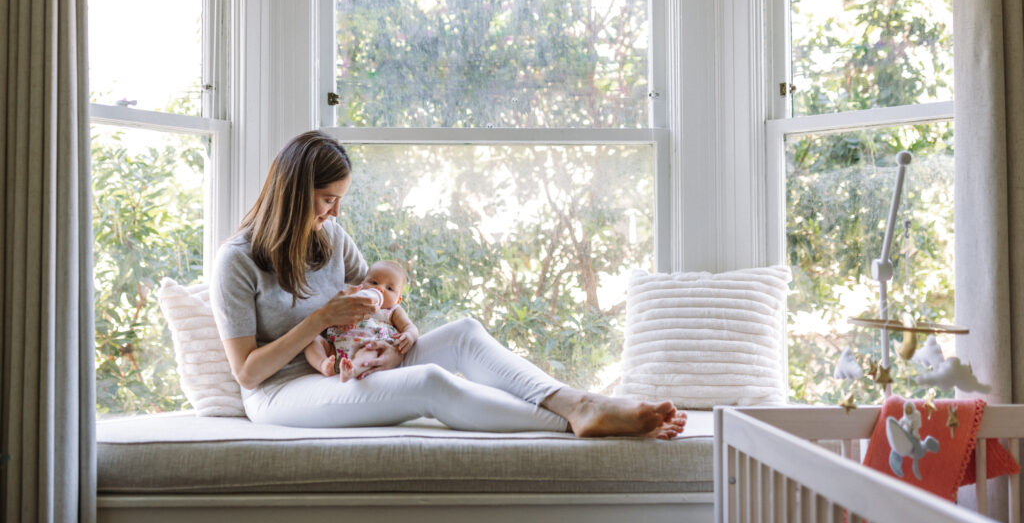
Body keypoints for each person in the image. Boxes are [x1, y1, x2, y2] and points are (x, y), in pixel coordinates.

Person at [210, 130, 687, 437]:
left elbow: (380, 298)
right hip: (284, 392)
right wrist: (319, 320)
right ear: (293, 193)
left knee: (462, 333)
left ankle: (578, 403)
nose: (334, 213)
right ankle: (573, 421)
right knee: (430, 382)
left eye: (339, 201)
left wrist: (407, 335)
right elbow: (248, 373)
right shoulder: (236, 261)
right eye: (326, 199)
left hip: (355, 360)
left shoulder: (329, 237)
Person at [305, 260, 419, 382]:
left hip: (367, 347)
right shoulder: (354, 301)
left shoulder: (393, 310)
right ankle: (324, 364)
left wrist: (409, 335)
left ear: (398, 299)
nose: (380, 289)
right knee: (313, 340)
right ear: (362, 284)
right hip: (336, 349)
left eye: (389, 288)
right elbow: (332, 318)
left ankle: (352, 370)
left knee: (370, 352)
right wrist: (340, 321)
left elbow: (409, 326)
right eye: (374, 282)